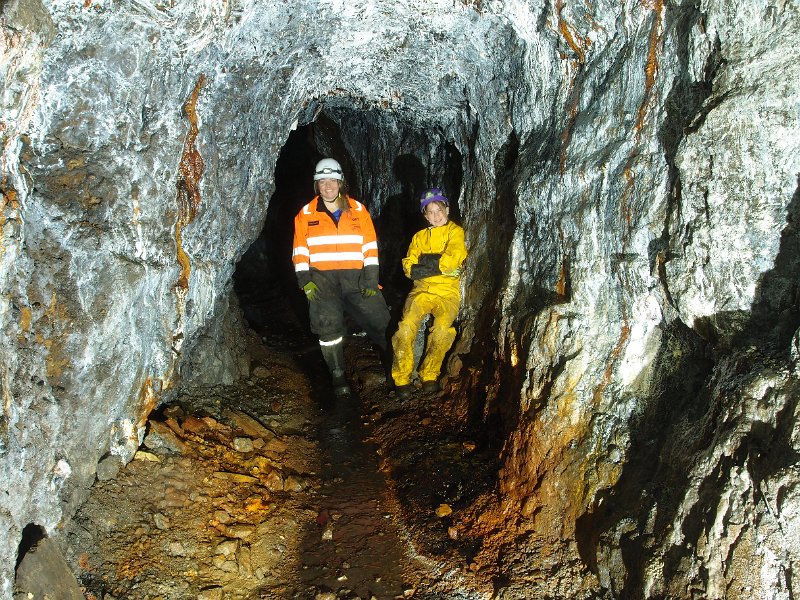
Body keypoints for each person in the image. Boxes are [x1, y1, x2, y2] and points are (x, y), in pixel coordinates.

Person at [292, 158, 391, 396]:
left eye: (332, 181)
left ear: (340, 182)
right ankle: (337, 375)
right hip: (322, 281)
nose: (328, 186)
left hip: (357, 278)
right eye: (323, 181)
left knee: (381, 322)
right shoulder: (305, 214)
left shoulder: (358, 210)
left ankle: (393, 370)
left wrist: (370, 278)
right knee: (328, 329)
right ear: (317, 185)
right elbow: (299, 251)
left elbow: (370, 247)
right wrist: (304, 280)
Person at [391, 188, 467, 399]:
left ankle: (429, 375)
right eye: (430, 212)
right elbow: (408, 267)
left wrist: (423, 264)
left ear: (447, 209)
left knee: (442, 329)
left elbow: (453, 258)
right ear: (424, 215)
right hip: (421, 290)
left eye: (439, 209)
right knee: (405, 327)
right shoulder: (419, 237)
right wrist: (436, 265)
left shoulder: (455, 232)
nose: (436, 215)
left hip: (447, 292)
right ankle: (402, 379)